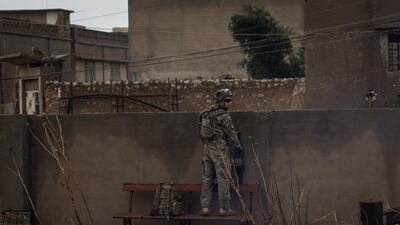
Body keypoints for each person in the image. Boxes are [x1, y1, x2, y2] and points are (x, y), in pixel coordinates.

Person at [199, 88, 243, 216]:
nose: (229, 103)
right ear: (221, 101)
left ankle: (205, 207)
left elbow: (201, 132)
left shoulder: (206, 113)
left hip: (206, 148)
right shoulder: (223, 116)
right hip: (219, 148)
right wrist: (239, 147)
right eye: (227, 100)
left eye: (230, 100)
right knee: (223, 178)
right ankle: (224, 208)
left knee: (207, 178)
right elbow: (231, 134)